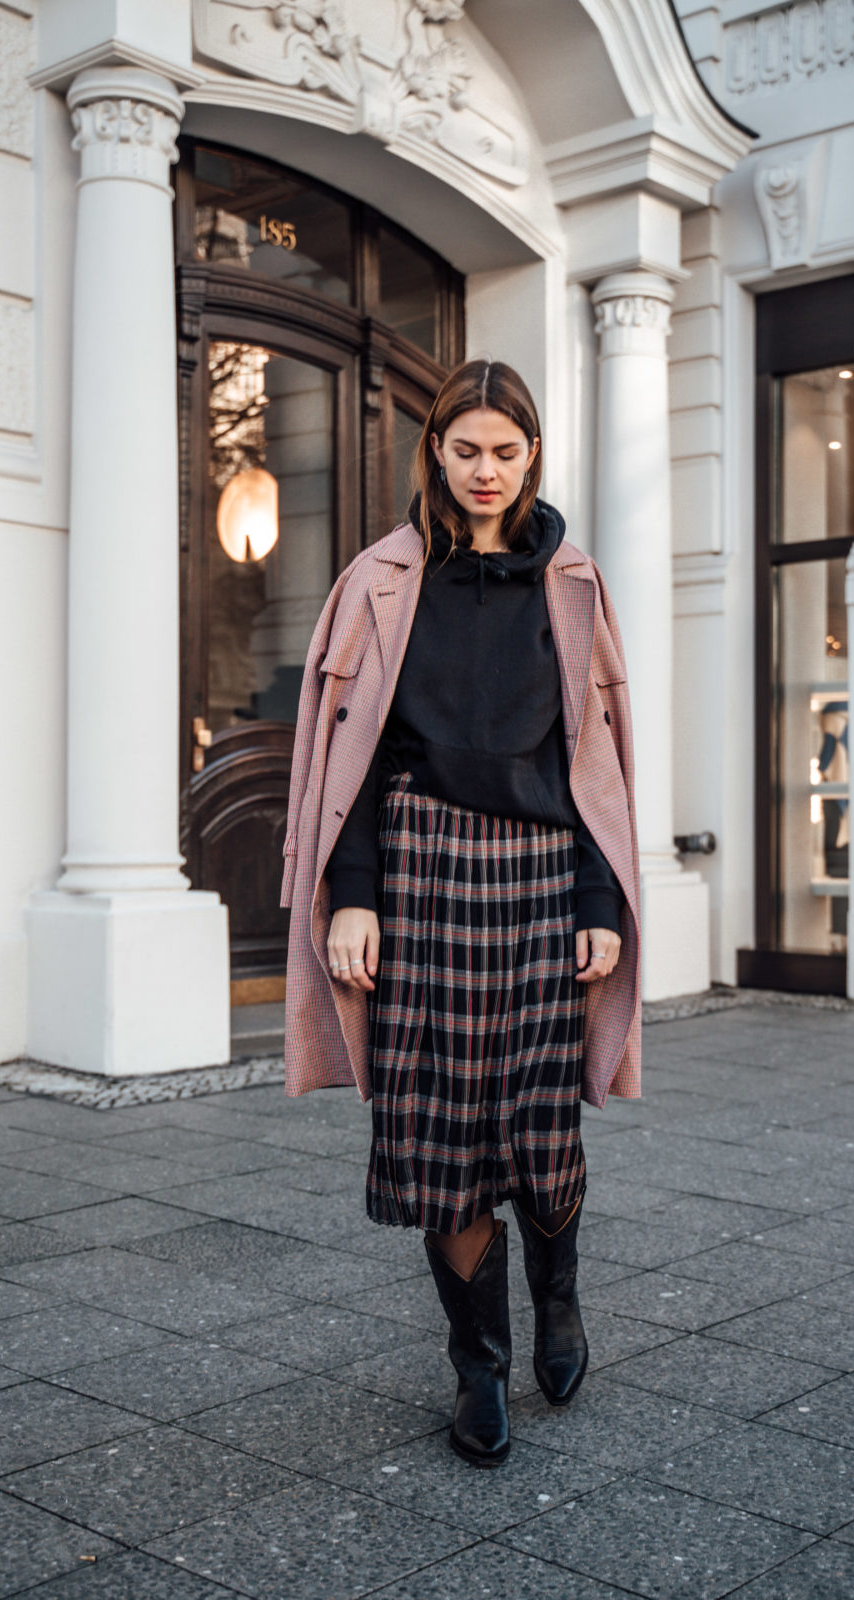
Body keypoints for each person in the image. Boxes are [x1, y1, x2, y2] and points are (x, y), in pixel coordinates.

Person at [281, 358, 641, 1468]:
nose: (486, 470)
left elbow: (592, 760)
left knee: (539, 1122)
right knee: (436, 1132)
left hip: (540, 876)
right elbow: (347, 757)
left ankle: (558, 1299)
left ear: (532, 455)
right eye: (466, 449)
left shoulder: (570, 581)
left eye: (506, 450)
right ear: (433, 452)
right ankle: (476, 1361)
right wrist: (351, 896)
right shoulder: (381, 579)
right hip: (420, 874)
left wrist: (598, 899)